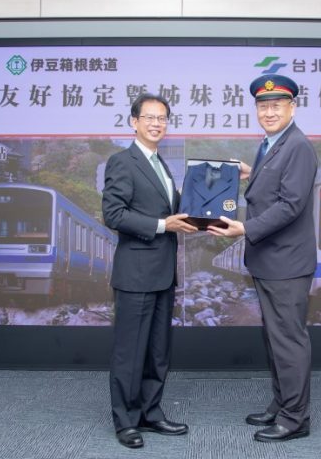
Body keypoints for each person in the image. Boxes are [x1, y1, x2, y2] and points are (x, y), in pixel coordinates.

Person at [208, 74, 318, 443]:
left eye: (277, 105)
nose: (269, 112)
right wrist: (251, 173)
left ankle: (295, 419)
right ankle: (282, 404)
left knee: (288, 340)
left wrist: (244, 228)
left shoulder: (298, 146)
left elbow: (291, 205)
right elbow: (278, 184)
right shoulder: (272, 144)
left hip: (286, 263)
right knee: (275, 338)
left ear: (293, 107)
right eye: (263, 106)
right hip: (271, 261)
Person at [102, 93, 198, 448]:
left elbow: (173, 211)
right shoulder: (122, 162)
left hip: (162, 273)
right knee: (131, 351)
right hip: (136, 274)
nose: (157, 123)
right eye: (150, 117)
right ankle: (126, 421)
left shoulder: (161, 165)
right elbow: (114, 214)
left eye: (162, 118)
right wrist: (162, 225)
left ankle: (151, 413)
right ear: (134, 122)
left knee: (158, 351)